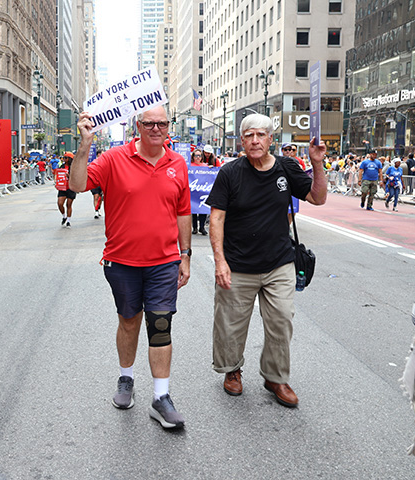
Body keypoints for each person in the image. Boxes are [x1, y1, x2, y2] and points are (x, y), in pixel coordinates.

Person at [69, 105, 192, 430]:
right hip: (122, 261)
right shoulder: (113, 159)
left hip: (164, 263)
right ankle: (126, 378)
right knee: (128, 321)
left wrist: (186, 254)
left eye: (162, 123)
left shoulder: (177, 163)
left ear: (169, 127)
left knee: (160, 324)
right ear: (138, 126)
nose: (156, 129)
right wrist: (85, 145)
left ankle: (161, 397)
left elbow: (183, 211)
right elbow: (78, 185)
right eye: (149, 123)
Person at [206, 114, 327, 408]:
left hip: (279, 263)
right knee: (230, 324)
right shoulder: (230, 172)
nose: (255, 141)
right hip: (238, 265)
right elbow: (216, 219)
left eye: (261, 134)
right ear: (241, 140)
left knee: (281, 320)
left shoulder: (287, 168)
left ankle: (275, 377)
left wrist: (317, 163)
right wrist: (220, 262)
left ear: (271, 139)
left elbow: (318, 198)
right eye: (249, 135)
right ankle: (232, 370)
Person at [190, 149, 209, 235]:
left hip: (202, 190)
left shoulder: (205, 166)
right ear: (193, 157)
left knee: (203, 209)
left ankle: (202, 227)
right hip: (193, 191)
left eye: (200, 155)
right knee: (193, 210)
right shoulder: (190, 166)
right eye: (196, 155)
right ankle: (194, 227)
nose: (198, 157)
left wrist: (211, 170)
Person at [55, 152, 77, 227]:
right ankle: (64, 216)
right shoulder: (62, 166)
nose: (64, 159)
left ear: (69, 159)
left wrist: (69, 176)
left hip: (71, 188)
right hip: (62, 187)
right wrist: (57, 183)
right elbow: (58, 175)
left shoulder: (74, 167)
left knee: (69, 204)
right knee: (60, 203)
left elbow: (77, 177)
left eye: (65, 158)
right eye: (63, 158)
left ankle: (68, 221)